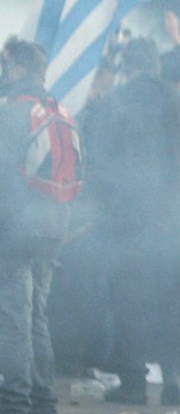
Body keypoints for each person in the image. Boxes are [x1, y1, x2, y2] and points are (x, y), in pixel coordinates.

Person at [80, 38, 180, 407]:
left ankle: (133, 385)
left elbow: (95, 160)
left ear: (127, 66)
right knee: (176, 303)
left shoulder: (113, 104)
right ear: (156, 65)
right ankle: (173, 379)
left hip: (131, 222)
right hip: (178, 219)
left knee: (130, 304)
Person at [0, 38, 72, 414]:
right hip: (53, 229)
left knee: (14, 317)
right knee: (36, 317)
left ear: (18, 70)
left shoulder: (10, 114)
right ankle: (44, 401)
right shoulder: (58, 111)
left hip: (15, 232)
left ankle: (14, 401)